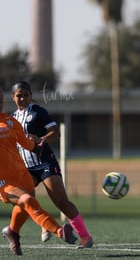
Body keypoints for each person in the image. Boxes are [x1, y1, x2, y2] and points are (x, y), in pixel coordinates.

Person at [10, 81, 93, 248]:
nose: (23, 98)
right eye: (19, 95)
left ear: (31, 96)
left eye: (26, 95)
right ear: (13, 97)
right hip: (26, 167)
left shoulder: (38, 112)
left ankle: (85, 237)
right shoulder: (12, 118)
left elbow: (55, 131)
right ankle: (44, 224)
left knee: (61, 202)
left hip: (45, 162)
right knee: (22, 200)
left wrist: (42, 139)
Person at [0, 88, 77, 255]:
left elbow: (27, 144)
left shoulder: (10, 121)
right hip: (4, 182)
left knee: (24, 206)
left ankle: (12, 231)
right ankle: (60, 232)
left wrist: (39, 147)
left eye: (0, 99)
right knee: (27, 200)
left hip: (23, 175)